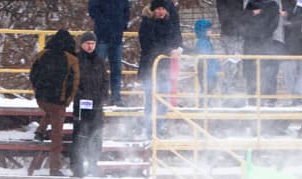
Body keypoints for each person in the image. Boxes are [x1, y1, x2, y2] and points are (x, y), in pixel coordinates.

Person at [29, 28, 80, 176]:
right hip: (59, 100)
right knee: (57, 138)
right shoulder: (72, 60)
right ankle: (54, 168)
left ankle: (39, 132)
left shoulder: (42, 54)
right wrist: (68, 100)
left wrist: (38, 91)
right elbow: (74, 82)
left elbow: (33, 74)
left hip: (42, 99)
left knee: (51, 112)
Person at [138, 0, 183, 135]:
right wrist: (168, 51)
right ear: (153, 10)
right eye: (158, 9)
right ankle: (149, 130)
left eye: (163, 9)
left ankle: (157, 129)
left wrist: (181, 49)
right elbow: (149, 45)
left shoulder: (169, 23)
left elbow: (176, 40)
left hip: (164, 68)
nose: (161, 12)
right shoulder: (146, 24)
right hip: (149, 67)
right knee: (151, 101)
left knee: (163, 100)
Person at [72, 32, 110, 178]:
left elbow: (105, 81)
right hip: (82, 104)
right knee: (80, 136)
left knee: (97, 136)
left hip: (97, 105)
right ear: (82, 44)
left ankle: (93, 164)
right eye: (87, 43)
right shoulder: (76, 60)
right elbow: (72, 81)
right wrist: (81, 96)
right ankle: (78, 167)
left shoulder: (99, 61)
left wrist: (102, 97)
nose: (90, 46)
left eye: (93, 44)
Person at [88, 0, 132, 104]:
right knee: (98, 69)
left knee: (116, 70)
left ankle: (116, 98)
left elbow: (126, 11)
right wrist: (103, 24)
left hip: (116, 37)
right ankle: (97, 97)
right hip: (102, 36)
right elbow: (93, 10)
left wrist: (122, 24)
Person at [242, 0, 282, 105]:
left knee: (268, 71)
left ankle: (268, 98)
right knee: (253, 71)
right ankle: (254, 98)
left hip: (264, 42)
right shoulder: (251, 4)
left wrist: (259, 34)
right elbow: (244, 20)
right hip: (254, 43)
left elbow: (272, 25)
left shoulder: (272, 5)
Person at [193, 19, 221, 100]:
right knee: (206, 89)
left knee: (208, 89)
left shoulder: (206, 41)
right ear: (203, 31)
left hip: (210, 70)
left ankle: (206, 105)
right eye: (208, 29)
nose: (210, 31)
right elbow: (206, 57)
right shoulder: (202, 42)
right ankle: (203, 106)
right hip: (206, 70)